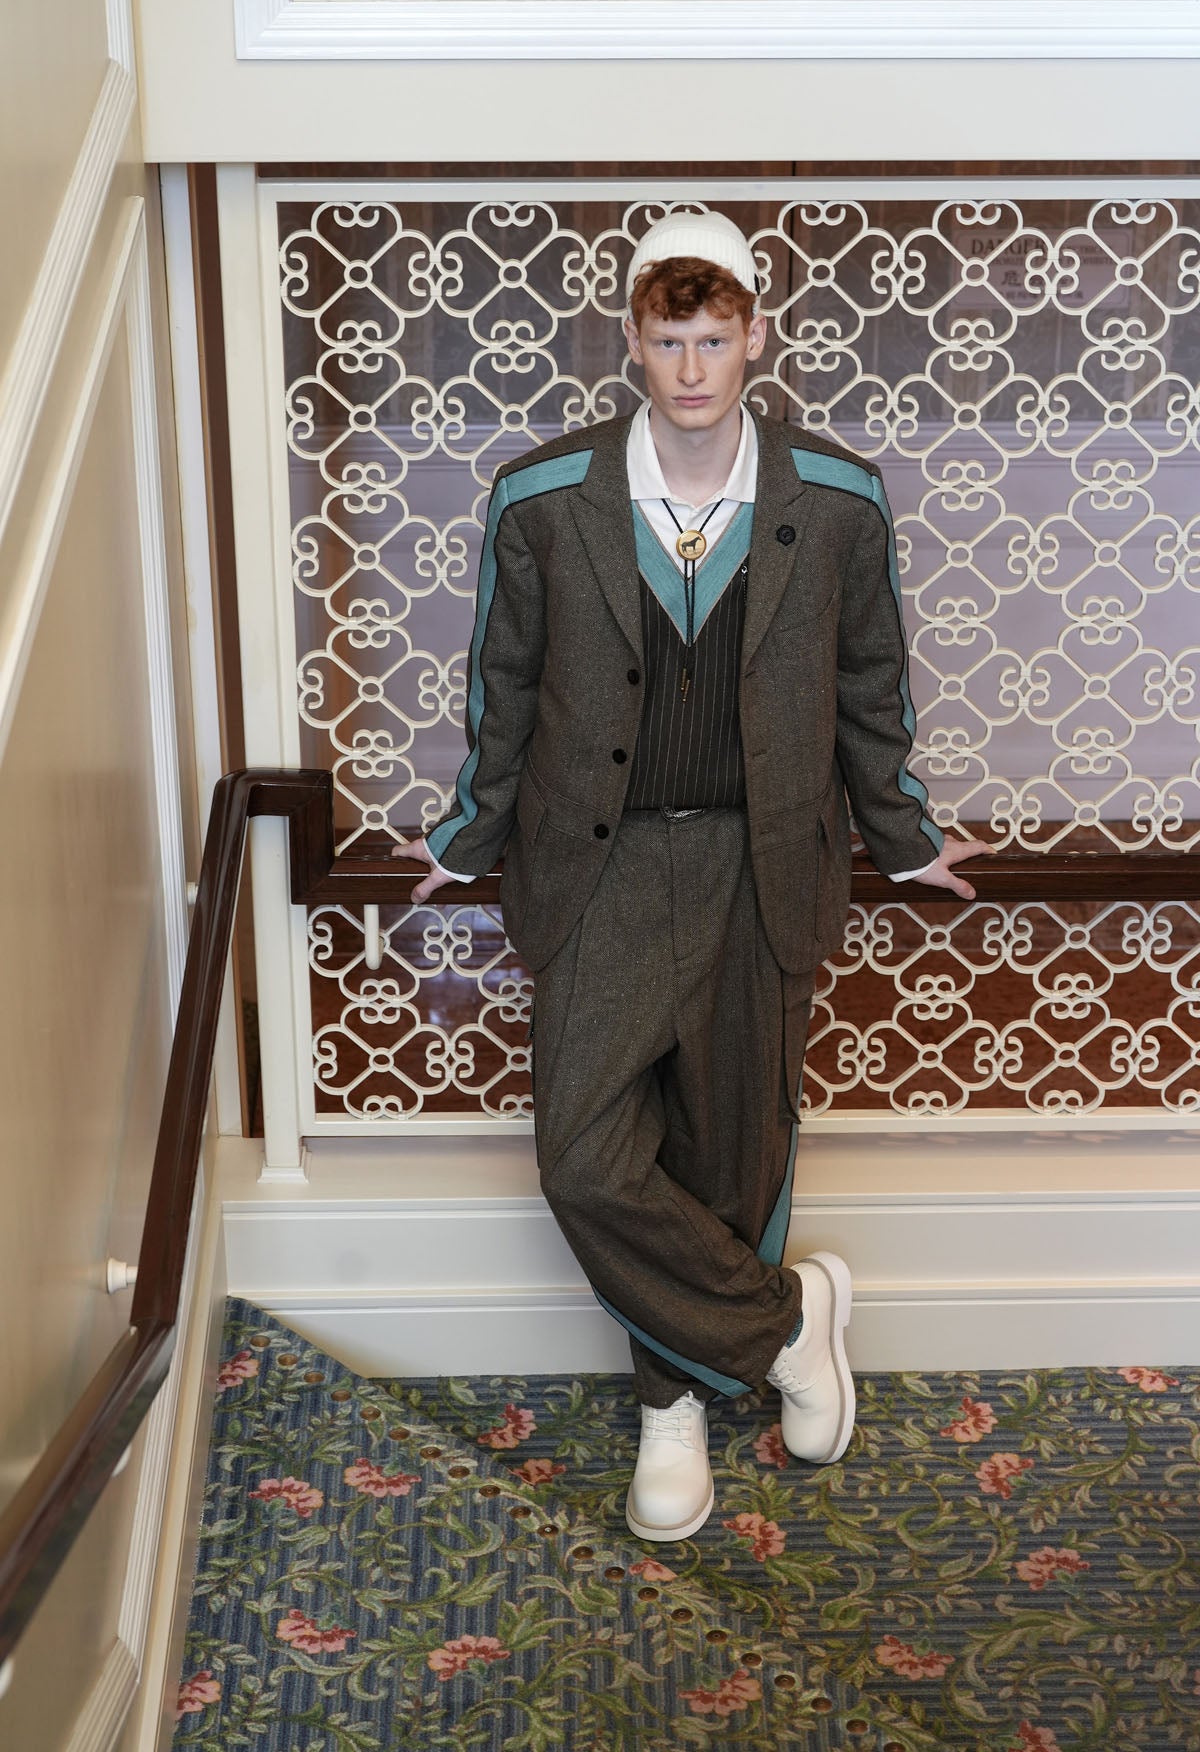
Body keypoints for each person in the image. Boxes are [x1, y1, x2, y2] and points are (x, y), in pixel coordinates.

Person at [396, 212, 990, 1542]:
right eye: (669, 341)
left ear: (754, 338)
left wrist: (903, 833)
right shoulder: (541, 499)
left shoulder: (838, 500)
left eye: (715, 340)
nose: (692, 369)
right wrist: (466, 835)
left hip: (756, 858)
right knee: (586, 1159)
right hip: (597, 864)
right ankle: (786, 1324)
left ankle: (671, 1405)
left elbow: (871, 684)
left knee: (727, 1150)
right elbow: (500, 686)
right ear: (632, 341)